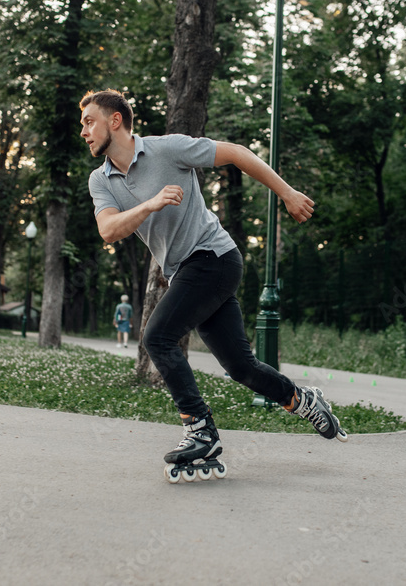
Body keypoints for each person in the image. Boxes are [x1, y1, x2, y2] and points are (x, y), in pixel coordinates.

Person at [81, 89, 347, 472]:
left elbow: (236, 153)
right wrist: (150, 204)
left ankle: (200, 429)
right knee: (241, 367)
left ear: (115, 120)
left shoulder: (167, 149)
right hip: (186, 272)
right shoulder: (101, 180)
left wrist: (287, 193)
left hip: (214, 257)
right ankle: (302, 400)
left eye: (90, 122)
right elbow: (108, 230)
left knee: (157, 337)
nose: (84, 132)